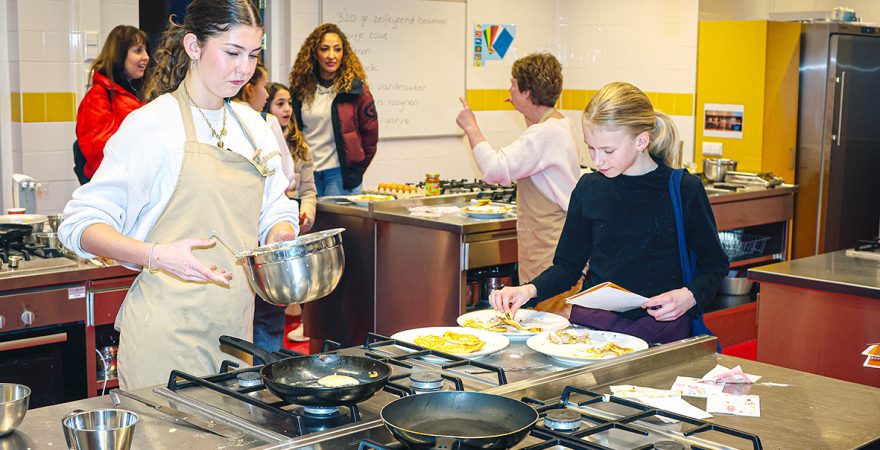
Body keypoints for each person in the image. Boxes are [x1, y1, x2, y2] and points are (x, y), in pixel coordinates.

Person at [59, 0, 299, 390]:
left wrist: (281, 236)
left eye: (253, 55)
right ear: (193, 46)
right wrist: (156, 255)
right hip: (166, 338)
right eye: (232, 53)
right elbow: (80, 224)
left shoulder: (254, 128)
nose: (245, 69)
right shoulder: (153, 125)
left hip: (234, 335)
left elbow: (274, 207)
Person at [488, 82, 729, 344]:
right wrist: (528, 290)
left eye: (608, 150)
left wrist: (689, 296)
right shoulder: (590, 188)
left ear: (641, 141)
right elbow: (568, 267)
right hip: (595, 327)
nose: (597, 160)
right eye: (590, 148)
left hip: (660, 330)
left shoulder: (683, 189)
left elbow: (714, 264)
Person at [456, 53, 580, 310]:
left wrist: (471, 127)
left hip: (548, 247)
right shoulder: (558, 124)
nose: (509, 90)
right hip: (554, 239)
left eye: (513, 84)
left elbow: (494, 168)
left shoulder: (546, 133)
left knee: (548, 318)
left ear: (527, 92)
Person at [232, 65, 300, 355]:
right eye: (264, 87)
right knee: (265, 313)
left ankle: (260, 366)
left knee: (256, 315)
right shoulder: (262, 122)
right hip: (253, 239)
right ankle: (265, 365)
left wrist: (281, 225)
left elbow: (278, 189)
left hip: (252, 236)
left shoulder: (256, 121)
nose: (266, 94)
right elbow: (288, 173)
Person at [289, 23, 379, 196]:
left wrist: (356, 170)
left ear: (344, 54)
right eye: (325, 49)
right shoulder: (300, 90)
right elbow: (294, 132)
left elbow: (370, 137)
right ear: (315, 53)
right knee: (310, 215)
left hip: (340, 176)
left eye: (337, 49)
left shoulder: (356, 90)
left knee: (336, 215)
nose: (332, 56)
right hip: (308, 173)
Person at [265, 82, 317, 343]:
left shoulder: (301, 147)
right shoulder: (262, 142)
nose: (287, 109)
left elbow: (309, 191)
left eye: (288, 104)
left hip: (296, 222)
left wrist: (306, 214)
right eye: (279, 104)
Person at [75, 25, 150, 184]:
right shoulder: (98, 97)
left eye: (146, 50)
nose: (146, 57)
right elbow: (100, 152)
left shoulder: (139, 94)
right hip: (113, 184)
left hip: (135, 181)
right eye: (138, 51)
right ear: (120, 56)